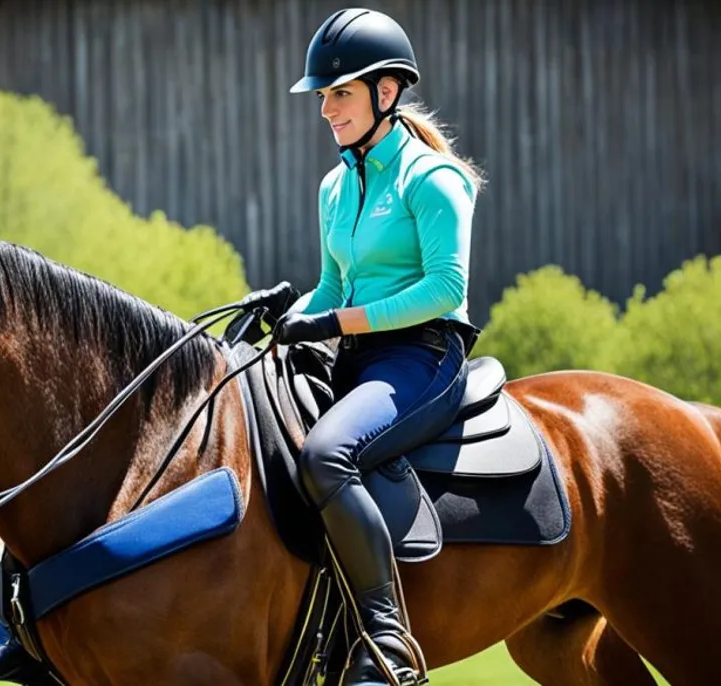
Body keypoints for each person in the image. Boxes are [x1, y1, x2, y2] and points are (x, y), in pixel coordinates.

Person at [267, 7, 485, 685]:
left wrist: (333, 324)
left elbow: (446, 289)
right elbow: (331, 285)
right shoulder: (336, 185)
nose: (326, 109)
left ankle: (387, 640)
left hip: (424, 357)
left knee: (328, 456)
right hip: (359, 356)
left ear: (385, 93)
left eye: (340, 93)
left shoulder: (433, 179)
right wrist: (281, 317)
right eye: (324, 96)